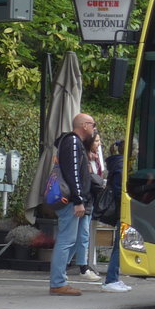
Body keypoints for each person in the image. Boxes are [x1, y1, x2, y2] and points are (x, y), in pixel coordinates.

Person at [48, 113, 96, 296]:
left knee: (70, 240)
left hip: (68, 199)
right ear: (84, 125)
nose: (94, 128)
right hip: (70, 200)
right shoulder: (73, 143)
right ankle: (58, 282)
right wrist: (78, 200)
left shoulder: (70, 142)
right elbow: (73, 174)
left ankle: (59, 278)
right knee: (67, 241)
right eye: (93, 124)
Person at [67, 131, 104, 281]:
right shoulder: (85, 159)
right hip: (84, 200)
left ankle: (66, 263)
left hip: (89, 200)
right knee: (82, 234)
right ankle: (82, 267)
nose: (99, 144)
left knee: (80, 235)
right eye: (96, 141)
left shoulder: (96, 159)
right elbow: (90, 180)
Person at [101, 139, 131, 292]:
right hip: (123, 210)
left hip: (121, 210)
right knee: (119, 245)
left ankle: (114, 278)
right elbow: (120, 190)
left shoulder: (118, 164)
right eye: (136, 149)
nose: (138, 152)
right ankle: (111, 279)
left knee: (120, 244)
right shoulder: (121, 165)